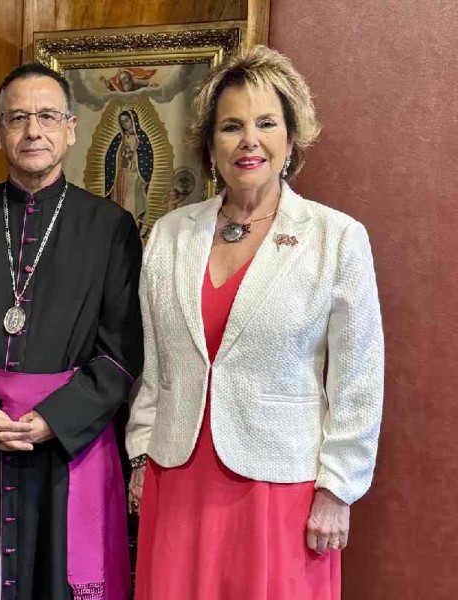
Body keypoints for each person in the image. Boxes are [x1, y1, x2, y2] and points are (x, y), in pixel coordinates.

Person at [126, 45, 384, 599]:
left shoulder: (336, 238)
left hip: (280, 488)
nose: (249, 140)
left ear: (291, 138)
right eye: (231, 126)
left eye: (266, 123)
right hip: (177, 476)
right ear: (210, 144)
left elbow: (359, 379)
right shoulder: (169, 234)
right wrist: (142, 454)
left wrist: (338, 490)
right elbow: (155, 364)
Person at [0, 62, 143, 600]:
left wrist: (54, 420)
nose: (32, 130)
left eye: (46, 116)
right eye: (17, 118)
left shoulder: (110, 228)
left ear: (70, 129)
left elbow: (121, 350)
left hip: (64, 446)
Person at [105, 109, 153, 233]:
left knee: (131, 205)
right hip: (120, 176)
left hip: (134, 176)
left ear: (133, 120)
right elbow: (110, 156)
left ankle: (132, 232)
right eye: (122, 122)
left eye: (127, 120)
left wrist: (132, 156)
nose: (125, 124)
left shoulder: (141, 138)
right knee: (118, 204)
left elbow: (146, 158)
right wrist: (120, 156)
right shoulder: (119, 138)